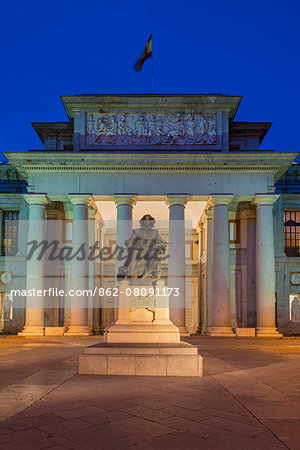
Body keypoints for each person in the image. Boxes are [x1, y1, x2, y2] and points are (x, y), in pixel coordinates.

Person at [118, 215, 167, 282]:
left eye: (148, 220)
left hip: (149, 252)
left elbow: (162, 241)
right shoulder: (137, 231)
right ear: (142, 222)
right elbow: (129, 241)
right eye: (145, 220)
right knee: (134, 253)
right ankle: (131, 273)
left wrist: (163, 244)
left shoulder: (155, 232)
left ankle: (147, 273)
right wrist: (129, 245)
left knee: (156, 255)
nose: (147, 221)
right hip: (139, 250)